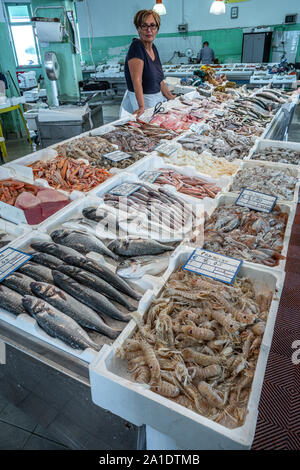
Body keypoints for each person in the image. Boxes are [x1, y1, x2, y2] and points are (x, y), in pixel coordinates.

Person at [121, 9, 175, 118]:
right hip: (143, 101)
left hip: (155, 100)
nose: (149, 30)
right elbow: (136, 80)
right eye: (144, 26)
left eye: (152, 25)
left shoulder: (153, 48)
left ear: (157, 29)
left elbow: (159, 80)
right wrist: (141, 107)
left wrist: (171, 98)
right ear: (138, 29)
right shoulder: (136, 47)